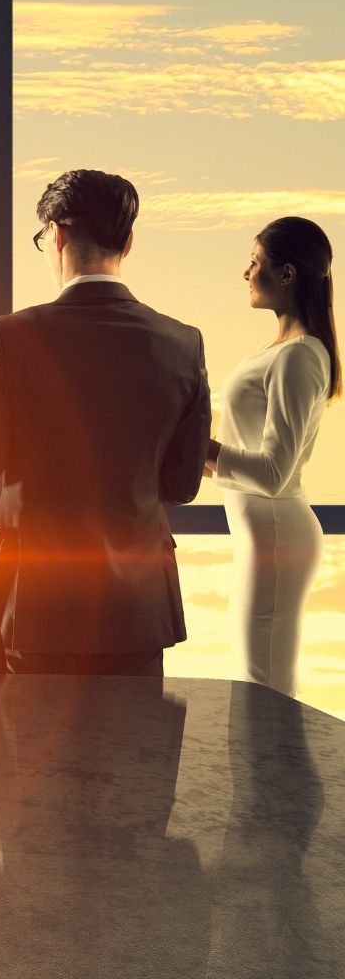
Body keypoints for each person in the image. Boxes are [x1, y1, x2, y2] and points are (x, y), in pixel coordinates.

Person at [0, 169, 210, 677]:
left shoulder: (9, 338)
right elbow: (181, 485)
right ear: (129, 242)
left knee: (25, 757)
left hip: (33, 612)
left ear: (57, 235)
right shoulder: (184, 343)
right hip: (136, 613)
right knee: (133, 753)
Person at [205, 217, 339, 698]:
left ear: (287, 273)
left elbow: (275, 474)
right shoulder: (282, 350)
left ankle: (278, 777)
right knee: (260, 687)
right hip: (264, 537)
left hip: (277, 537)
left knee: (264, 693)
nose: (246, 272)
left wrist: (206, 448)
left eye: (255, 262)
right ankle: (268, 775)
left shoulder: (299, 355)